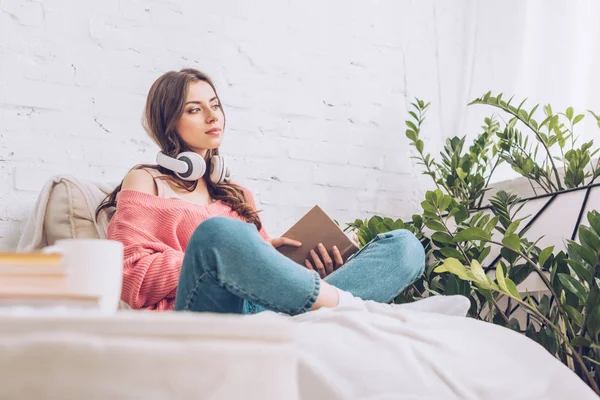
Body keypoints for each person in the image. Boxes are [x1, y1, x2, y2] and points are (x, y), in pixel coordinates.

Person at [96, 68, 425, 314]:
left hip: (266, 309)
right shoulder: (146, 179)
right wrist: (228, 257)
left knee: (406, 247)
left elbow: (269, 272)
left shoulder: (236, 194)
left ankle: (318, 305)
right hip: (208, 310)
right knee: (218, 234)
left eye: (215, 105)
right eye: (195, 109)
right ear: (169, 123)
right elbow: (128, 275)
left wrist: (299, 267)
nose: (213, 116)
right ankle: (340, 306)